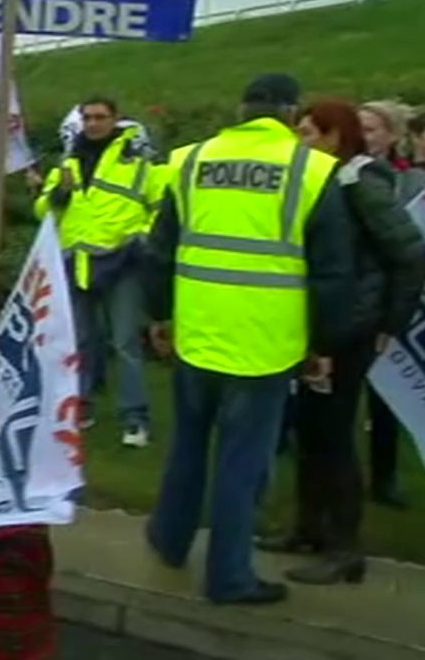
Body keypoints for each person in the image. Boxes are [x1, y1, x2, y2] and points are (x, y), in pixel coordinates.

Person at [144, 73, 355, 604]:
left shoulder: (191, 161)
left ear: (242, 109)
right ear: (290, 113)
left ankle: (169, 539)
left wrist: (158, 316)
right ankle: (229, 577)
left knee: (188, 445)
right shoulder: (312, 170)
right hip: (266, 341)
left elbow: (160, 248)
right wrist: (323, 344)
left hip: (197, 330)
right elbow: (332, 272)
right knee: (243, 464)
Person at [256, 100, 425, 585]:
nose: (299, 142)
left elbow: (410, 254)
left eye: (308, 133)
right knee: (310, 430)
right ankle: (308, 528)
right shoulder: (319, 180)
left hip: (349, 329)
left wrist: (389, 322)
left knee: (333, 436)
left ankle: (345, 547)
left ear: (334, 136)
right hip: (319, 325)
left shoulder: (359, 184)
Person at [34, 97, 164, 447]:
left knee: (124, 344)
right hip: (77, 263)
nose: (93, 123)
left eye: (100, 117)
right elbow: (42, 210)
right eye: (88, 118)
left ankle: (135, 417)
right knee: (81, 342)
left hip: (122, 263)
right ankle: (81, 407)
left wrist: (141, 239)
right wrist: (58, 195)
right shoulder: (68, 162)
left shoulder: (137, 162)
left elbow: (160, 209)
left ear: (115, 119)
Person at [358, 100, 423, 509]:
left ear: (393, 135)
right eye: (360, 127)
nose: (365, 136)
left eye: (372, 129)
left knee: (387, 392)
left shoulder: (409, 181)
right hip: (356, 294)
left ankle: (385, 476)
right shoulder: (345, 174)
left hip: (395, 297)